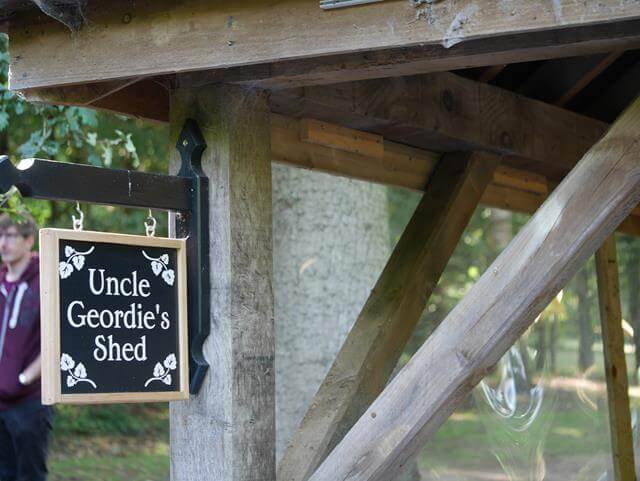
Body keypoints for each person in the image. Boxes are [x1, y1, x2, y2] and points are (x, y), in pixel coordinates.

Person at [0, 214, 52, 481]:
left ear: (29, 240)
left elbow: (58, 340)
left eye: (10, 236)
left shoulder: (45, 284)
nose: (3, 243)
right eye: (0, 236)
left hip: (30, 403)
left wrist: (24, 378)